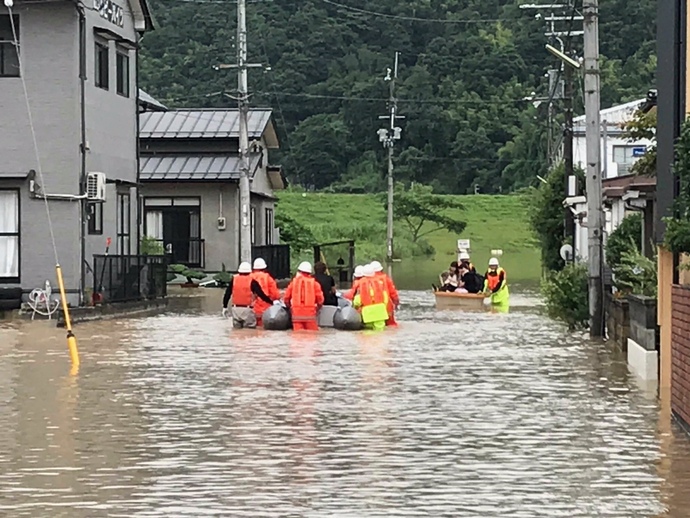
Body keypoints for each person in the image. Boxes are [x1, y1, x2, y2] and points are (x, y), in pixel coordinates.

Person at [221, 262, 272, 329]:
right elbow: (261, 295)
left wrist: (225, 307)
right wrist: (271, 302)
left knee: (237, 333)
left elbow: (227, 294)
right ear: (250, 272)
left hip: (235, 310)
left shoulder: (234, 279)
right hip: (247, 310)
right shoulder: (252, 281)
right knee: (249, 333)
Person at [283, 261, 324, 331]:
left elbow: (286, 298)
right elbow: (320, 300)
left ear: (299, 271)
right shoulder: (315, 284)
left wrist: (289, 307)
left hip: (296, 315)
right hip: (310, 315)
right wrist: (317, 308)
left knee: (298, 337)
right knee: (312, 336)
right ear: (310, 272)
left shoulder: (293, 283)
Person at [353, 264, 389, 331]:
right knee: (381, 334)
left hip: (368, 313)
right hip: (380, 312)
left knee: (368, 335)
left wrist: (355, 306)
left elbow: (357, 301)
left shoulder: (361, 284)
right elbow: (385, 298)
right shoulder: (380, 282)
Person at [251, 257, 281, 327]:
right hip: (266, 310)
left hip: (252, 309)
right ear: (264, 268)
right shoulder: (268, 278)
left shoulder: (249, 277)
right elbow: (275, 295)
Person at [371, 260, 399, 326]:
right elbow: (393, 294)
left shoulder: (366, 280)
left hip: (372, 309)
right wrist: (396, 303)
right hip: (387, 307)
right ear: (381, 269)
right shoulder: (386, 279)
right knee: (391, 325)